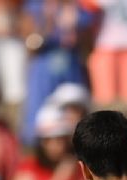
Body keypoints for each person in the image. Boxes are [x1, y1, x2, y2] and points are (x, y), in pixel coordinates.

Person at [19, 0, 95, 145]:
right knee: (40, 119)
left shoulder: (79, 6)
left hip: (71, 69)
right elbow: (30, 45)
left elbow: (89, 45)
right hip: (43, 74)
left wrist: (75, 28)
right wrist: (47, 22)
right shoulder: (35, 6)